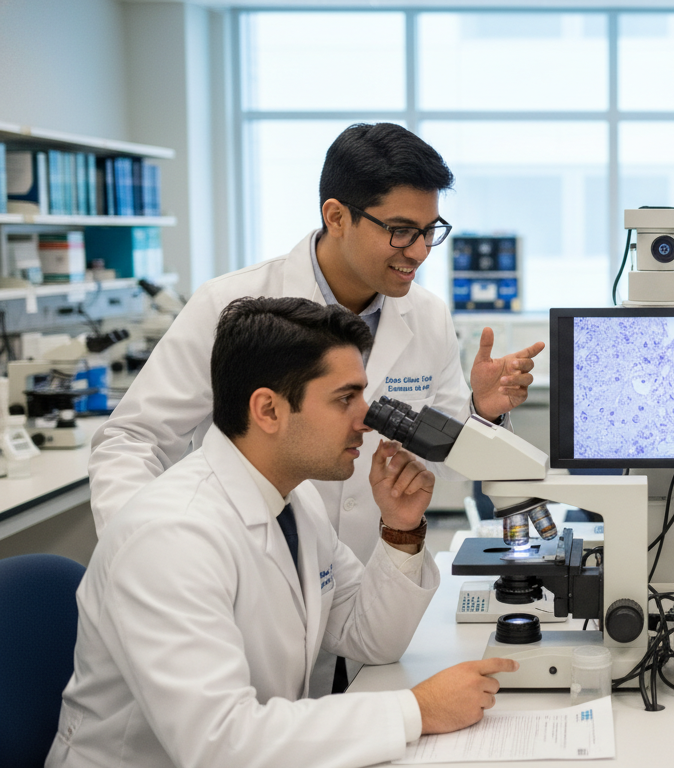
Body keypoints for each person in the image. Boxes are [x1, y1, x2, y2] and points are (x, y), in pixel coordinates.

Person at [48, 297, 517, 768]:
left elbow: (370, 637)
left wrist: (401, 530)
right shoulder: (172, 537)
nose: (366, 418)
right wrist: (417, 710)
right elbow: (219, 743)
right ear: (268, 410)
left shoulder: (295, 501)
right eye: (344, 398)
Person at [90, 122, 545, 561]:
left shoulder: (427, 316)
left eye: (430, 231)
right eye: (402, 231)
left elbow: (445, 456)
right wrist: (138, 552)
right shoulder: (229, 304)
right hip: (249, 575)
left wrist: (482, 410)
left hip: (364, 585)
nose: (421, 251)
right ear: (337, 216)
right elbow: (134, 438)